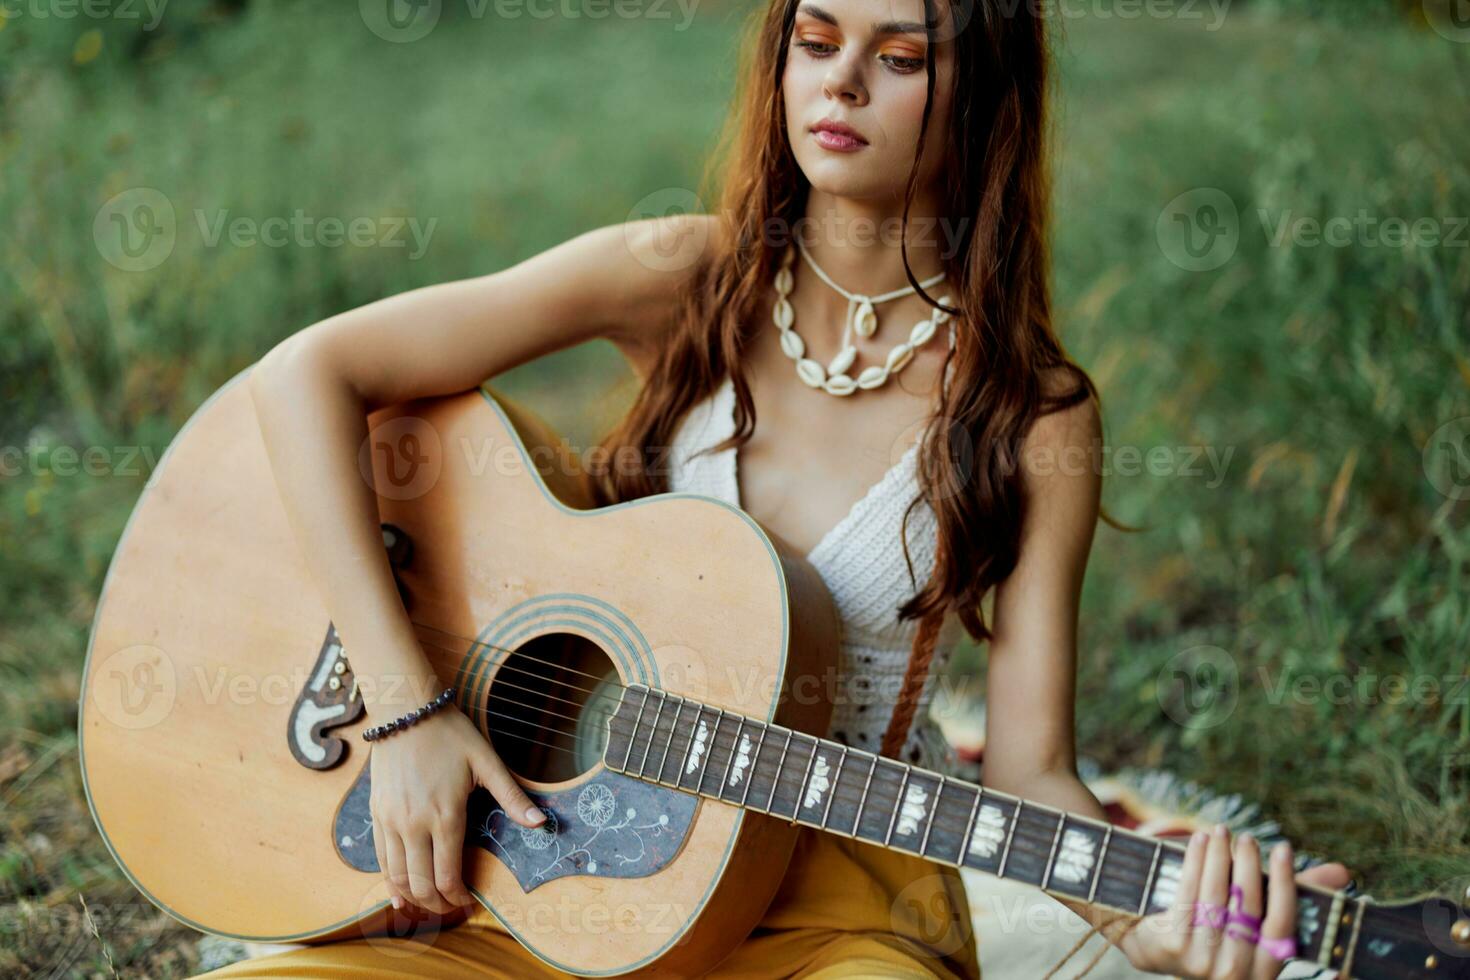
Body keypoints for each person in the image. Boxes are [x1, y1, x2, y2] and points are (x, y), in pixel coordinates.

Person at [192, 0, 1349, 976]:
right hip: (548, 860)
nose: (840, 82)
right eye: (814, 38)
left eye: (899, 59)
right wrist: (408, 708)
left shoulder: (1031, 412)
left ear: (984, 95)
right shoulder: (685, 277)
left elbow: (1032, 764)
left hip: (835, 900)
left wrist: (1146, 921)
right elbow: (310, 374)